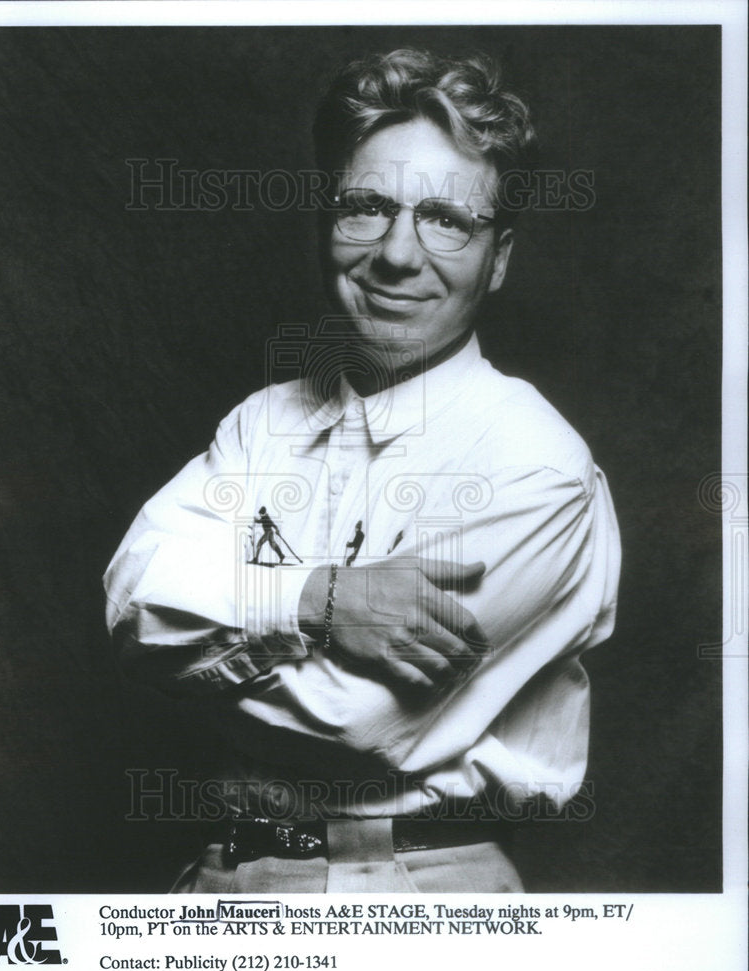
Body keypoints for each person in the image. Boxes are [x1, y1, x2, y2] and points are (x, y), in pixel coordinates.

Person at [104, 47, 620, 893]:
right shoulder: (262, 422)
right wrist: (321, 600)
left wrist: (214, 619)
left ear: (500, 256)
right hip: (221, 879)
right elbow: (132, 603)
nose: (396, 254)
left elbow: (357, 729)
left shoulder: (535, 464)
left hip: (412, 889)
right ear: (326, 221)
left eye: (447, 220)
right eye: (367, 208)